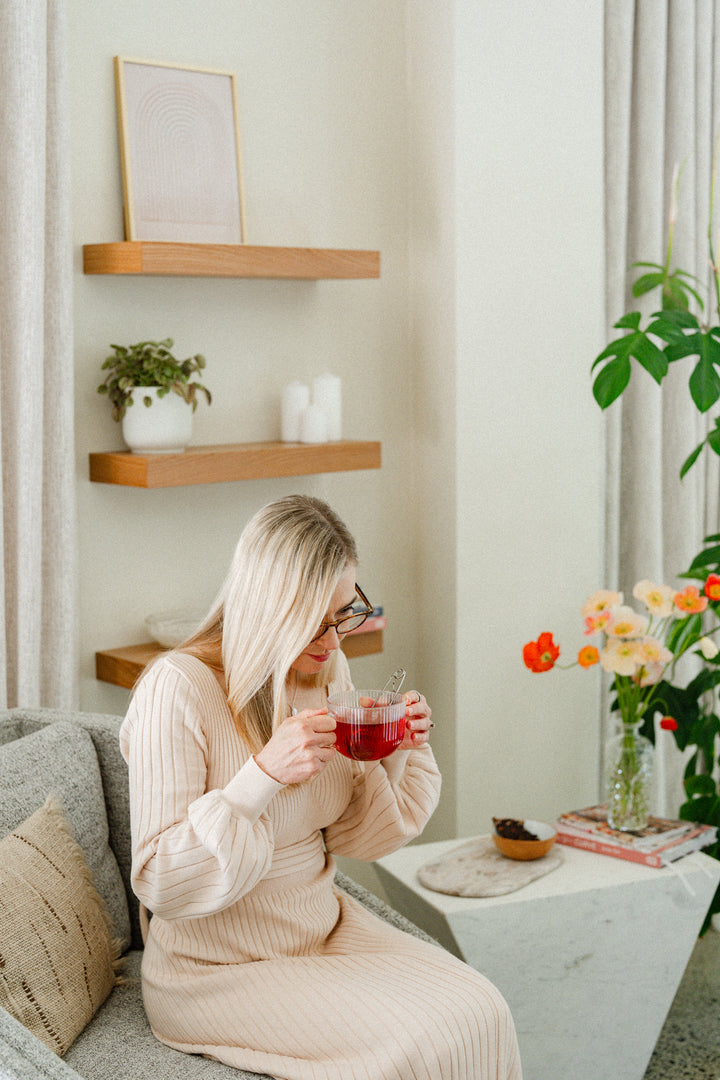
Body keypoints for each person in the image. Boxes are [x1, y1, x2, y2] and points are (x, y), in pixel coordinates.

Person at [120, 494, 522, 1080]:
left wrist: (394, 752)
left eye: (344, 615)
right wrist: (261, 777)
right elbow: (160, 881)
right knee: (417, 1046)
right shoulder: (177, 687)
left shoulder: (325, 672)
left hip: (324, 930)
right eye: (315, 620)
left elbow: (356, 839)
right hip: (216, 968)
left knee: (483, 1009)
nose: (333, 642)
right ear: (266, 603)